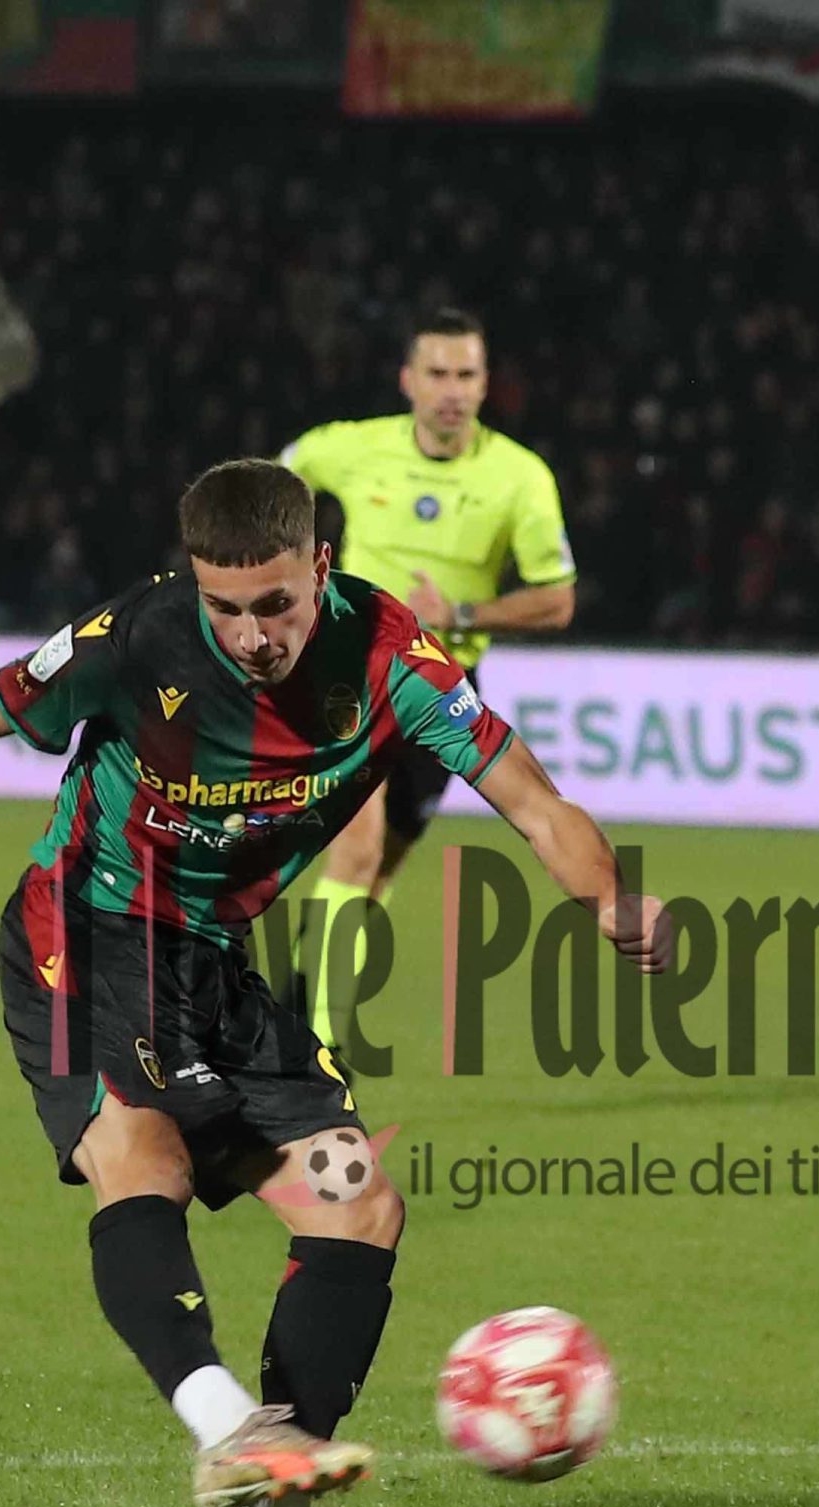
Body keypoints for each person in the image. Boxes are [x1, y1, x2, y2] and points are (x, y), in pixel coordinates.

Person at [0, 459, 666, 1507]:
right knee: (136, 1154)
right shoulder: (134, 636)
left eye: (276, 604)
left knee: (358, 1199)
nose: (252, 633)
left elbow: (531, 798)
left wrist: (608, 899)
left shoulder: (393, 658)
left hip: (212, 965)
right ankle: (230, 1432)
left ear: (320, 571)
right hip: (84, 935)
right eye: (227, 606)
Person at [280, 307, 577, 1045]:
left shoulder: (520, 479)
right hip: (348, 669)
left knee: (380, 869)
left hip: (442, 694)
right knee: (354, 844)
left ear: (485, 385)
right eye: (438, 374)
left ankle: (293, 1001)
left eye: (466, 375)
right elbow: (277, 479)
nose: (451, 389)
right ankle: (311, 1045)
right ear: (409, 381)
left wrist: (464, 610)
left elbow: (557, 598)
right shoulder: (353, 448)